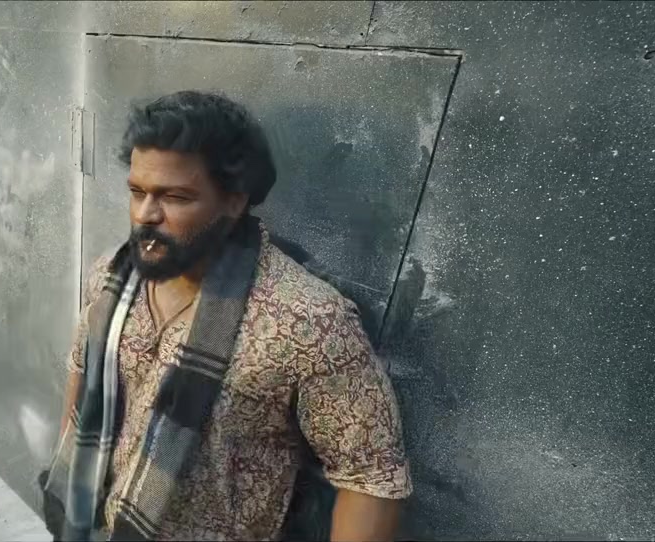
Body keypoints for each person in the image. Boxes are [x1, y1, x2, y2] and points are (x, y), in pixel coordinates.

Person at [39, 91, 411, 541]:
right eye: (136, 191)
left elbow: (371, 477)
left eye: (175, 197)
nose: (145, 214)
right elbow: (82, 373)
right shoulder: (112, 276)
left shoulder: (308, 321)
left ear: (234, 201)